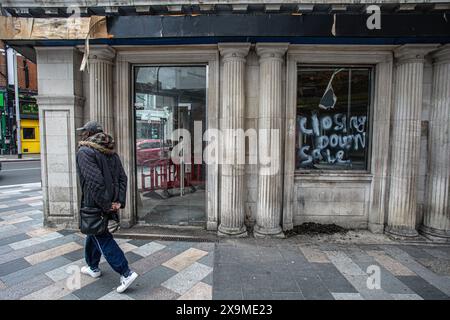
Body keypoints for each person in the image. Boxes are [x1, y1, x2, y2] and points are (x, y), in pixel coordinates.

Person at [76, 120, 138, 293]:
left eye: (84, 132)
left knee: (101, 236)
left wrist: (107, 205)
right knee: (94, 232)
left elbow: (95, 183)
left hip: (95, 204)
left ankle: (125, 273)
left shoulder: (85, 152)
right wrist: (118, 201)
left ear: (89, 134)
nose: (82, 134)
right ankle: (93, 266)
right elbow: (122, 178)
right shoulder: (110, 152)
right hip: (107, 202)